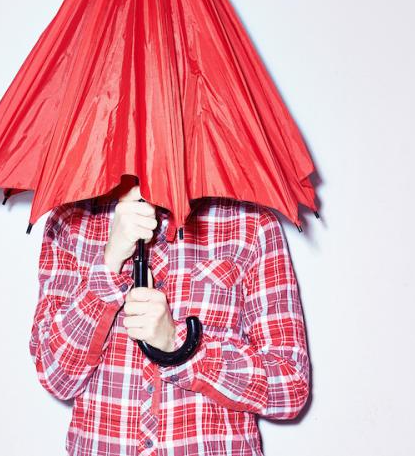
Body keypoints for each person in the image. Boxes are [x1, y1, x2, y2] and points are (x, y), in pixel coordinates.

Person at [29, 182, 311, 455]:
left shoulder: (250, 223)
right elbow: (57, 378)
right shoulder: (70, 222)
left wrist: (180, 346)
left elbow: (290, 386)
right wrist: (109, 262)